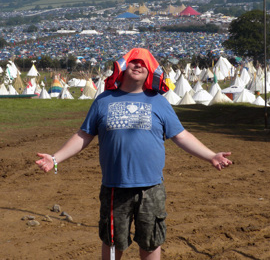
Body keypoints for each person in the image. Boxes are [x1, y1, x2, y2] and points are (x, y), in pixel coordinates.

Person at [36, 48, 232, 260]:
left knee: (150, 241)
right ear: (122, 67)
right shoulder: (103, 100)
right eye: (133, 62)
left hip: (150, 187)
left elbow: (181, 136)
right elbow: (83, 135)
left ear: (150, 72)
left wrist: (211, 156)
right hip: (114, 188)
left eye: (143, 64)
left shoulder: (159, 102)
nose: (138, 65)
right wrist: (55, 158)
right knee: (112, 242)